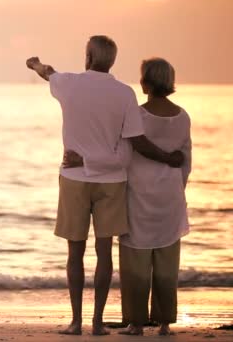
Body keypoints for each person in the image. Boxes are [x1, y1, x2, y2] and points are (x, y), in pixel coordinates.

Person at [26, 36, 184, 336]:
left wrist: (33, 63)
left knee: (75, 253)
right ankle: (97, 323)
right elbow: (132, 145)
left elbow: (48, 71)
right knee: (104, 253)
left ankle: (76, 322)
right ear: (112, 61)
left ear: (87, 56)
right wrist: (168, 158)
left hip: (75, 179)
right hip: (112, 183)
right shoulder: (125, 94)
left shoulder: (68, 83)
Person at [64, 58, 192, 336]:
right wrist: (175, 187)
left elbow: (122, 154)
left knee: (136, 261)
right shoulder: (183, 117)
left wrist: (83, 160)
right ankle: (165, 322)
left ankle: (136, 323)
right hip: (169, 196)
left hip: (138, 193)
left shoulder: (137, 115)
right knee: (167, 261)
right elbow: (185, 161)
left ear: (145, 82)